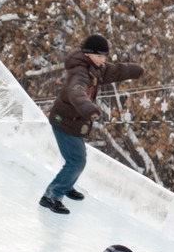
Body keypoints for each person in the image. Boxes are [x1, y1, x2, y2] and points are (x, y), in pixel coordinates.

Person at [40, 34, 144, 214]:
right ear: (88, 54)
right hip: (64, 121)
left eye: (105, 56)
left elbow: (116, 71)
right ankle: (51, 195)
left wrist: (135, 70)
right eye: (99, 56)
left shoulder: (96, 67)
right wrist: (89, 108)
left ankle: (66, 185)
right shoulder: (80, 72)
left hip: (73, 122)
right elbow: (76, 92)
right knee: (76, 161)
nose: (103, 60)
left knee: (78, 158)